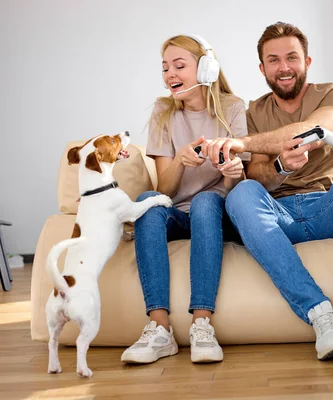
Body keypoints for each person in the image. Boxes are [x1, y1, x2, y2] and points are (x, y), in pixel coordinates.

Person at [204, 22, 333, 361]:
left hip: (329, 206)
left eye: (292, 57)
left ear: (307, 61)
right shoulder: (253, 112)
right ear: (262, 69)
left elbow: (320, 129)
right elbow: (255, 175)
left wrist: (243, 143)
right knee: (241, 194)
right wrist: (280, 165)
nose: (284, 68)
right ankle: (321, 316)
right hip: (280, 216)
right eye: (274, 60)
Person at [121, 34, 247, 365]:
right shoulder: (164, 112)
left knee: (207, 200)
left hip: (216, 213)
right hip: (178, 213)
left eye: (179, 66)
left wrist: (233, 170)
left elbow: (237, 192)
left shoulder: (233, 108)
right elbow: (164, 190)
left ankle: (201, 324)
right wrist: (179, 160)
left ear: (207, 69)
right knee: (149, 201)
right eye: (165, 68)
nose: (170, 75)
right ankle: (159, 328)